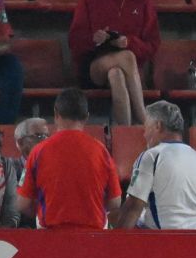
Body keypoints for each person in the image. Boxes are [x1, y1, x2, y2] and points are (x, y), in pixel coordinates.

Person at [68, 0, 158, 128]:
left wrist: (128, 42)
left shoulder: (142, 2)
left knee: (116, 74)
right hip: (94, 65)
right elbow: (74, 40)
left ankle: (125, 132)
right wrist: (95, 39)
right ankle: (144, 118)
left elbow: (152, 45)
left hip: (129, 71)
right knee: (127, 57)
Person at [16, 87, 121, 230]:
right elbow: (115, 202)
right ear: (86, 117)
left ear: (56, 114)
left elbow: (22, 203)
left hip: (50, 234)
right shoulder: (102, 152)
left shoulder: (38, 152)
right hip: (94, 236)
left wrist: (43, 209)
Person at [117, 101, 196, 231]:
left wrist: (116, 241)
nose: (144, 135)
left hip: (163, 240)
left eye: (146, 128)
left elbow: (133, 208)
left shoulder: (151, 157)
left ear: (158, 126)